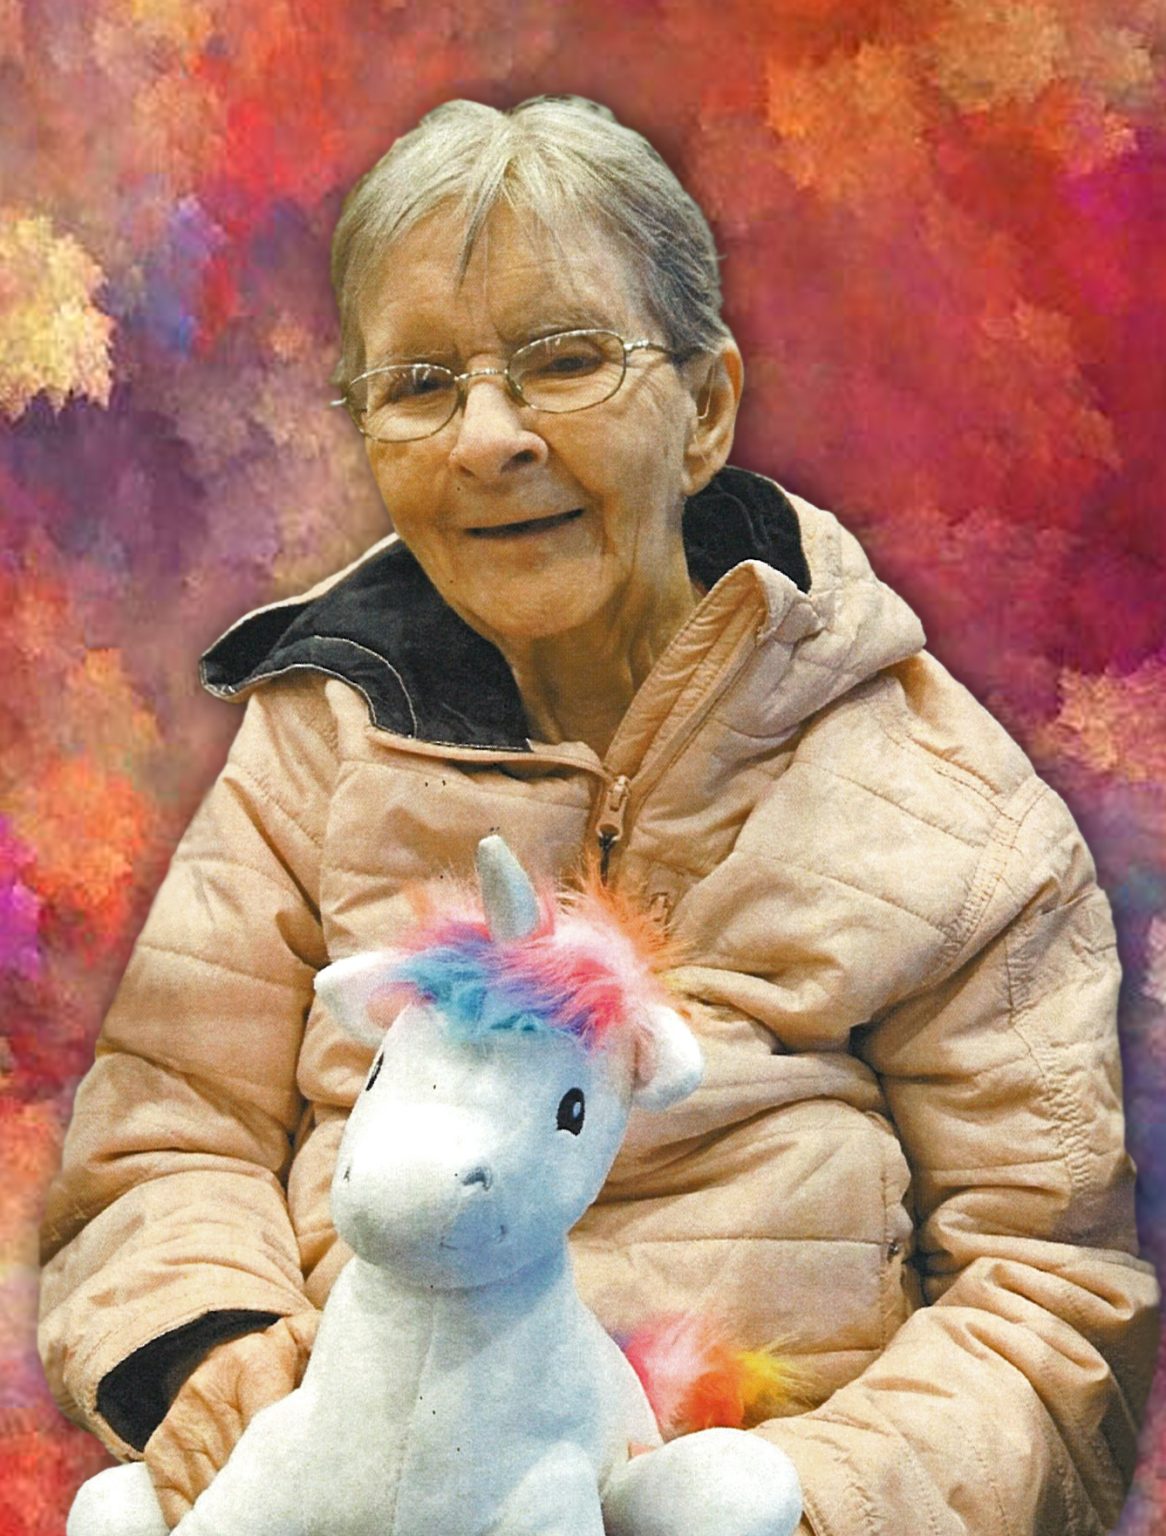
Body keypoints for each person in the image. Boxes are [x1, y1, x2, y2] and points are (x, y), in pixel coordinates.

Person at [40, 95, 1158, 1535]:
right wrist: (212, 1347)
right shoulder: (321, 739)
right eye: (419, 385)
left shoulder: (947, 803)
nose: (487, 438)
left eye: (565, 361)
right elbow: (166, 1131)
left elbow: (1049, 1300)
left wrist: (784, 1505)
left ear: (705, 409)